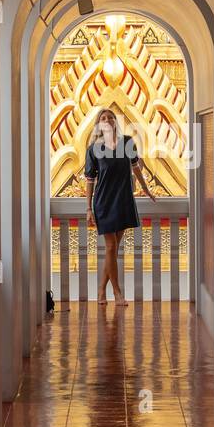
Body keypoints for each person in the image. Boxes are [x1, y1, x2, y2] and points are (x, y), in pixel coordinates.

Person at [84, 109, 155, 305]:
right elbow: (90, 180)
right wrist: (88, 208)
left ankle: (100, 290)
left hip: (123, 200)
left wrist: (146, 189)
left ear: (115, 121)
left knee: (112, 251)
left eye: (110, 117)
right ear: (99, 124)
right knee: (111, 246)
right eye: (103, 118)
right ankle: (117, 293)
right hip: (104, 202)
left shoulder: (127, 142)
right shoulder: (93, 149)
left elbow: (136, 167)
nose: (107, 120)